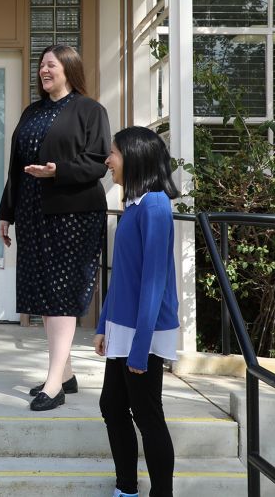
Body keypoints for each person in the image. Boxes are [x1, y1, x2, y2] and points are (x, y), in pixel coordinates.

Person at [0, 44, 111, 412]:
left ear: (69, 69)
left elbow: (97, 163)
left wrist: (57, 171)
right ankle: (67, 373)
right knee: (47, 293)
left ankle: (53, 383)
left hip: (74, 215)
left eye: (51, 65)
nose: (44, 70)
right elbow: (17, 166)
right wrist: (6, 213)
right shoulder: (32, 111)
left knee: (60, 295)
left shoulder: (90, 110)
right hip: (33, 214)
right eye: (42, 65)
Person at [95, 126, 180, 497]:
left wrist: (140, 345)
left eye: (113, 153)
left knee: (146, 414)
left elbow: (153, 281)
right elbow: (123, 275)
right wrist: (102, 325)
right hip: (123, 327)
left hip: (142, 331)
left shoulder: (157, 206)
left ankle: (161, 493)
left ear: (134, 157)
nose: (108, 161)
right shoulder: (134, 206)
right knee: (112, 405)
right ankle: (126, 488)